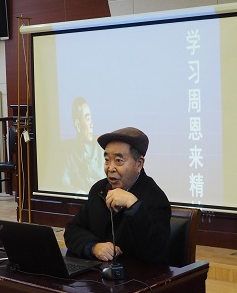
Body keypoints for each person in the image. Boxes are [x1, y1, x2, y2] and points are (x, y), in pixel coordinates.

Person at [64, 127, 171, 264]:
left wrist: (134, 206)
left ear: (139, 164)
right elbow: (72, 231)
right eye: (107, 160)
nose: (110, 168)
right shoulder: (99, 190)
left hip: (136, 275)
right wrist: (94, 247)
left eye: (119, 161)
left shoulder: (155, 198)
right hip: (99, 272)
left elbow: (157, 253)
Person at [60, 97, 103, 194]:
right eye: (88, 119)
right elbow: (64, 183)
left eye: (91, 119)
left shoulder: (101, 149)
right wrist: (79, 193)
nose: (92, 125)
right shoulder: (69, 154)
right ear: (78, 125)